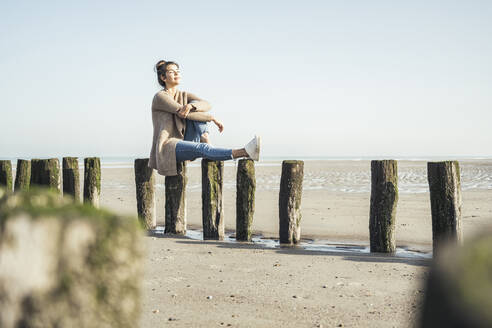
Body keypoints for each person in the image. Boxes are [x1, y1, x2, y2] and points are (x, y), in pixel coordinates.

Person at [148, 60, 260, 176]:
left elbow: (207, 104)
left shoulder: (184, 95)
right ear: (163, 77)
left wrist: (191, 105)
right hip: (169, 146)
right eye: (172, 72)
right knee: (202, 146)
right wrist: (211, 118)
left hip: (185, 139)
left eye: (178, 71)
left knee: (196, 104)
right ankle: (245, 152)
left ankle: (205, 138)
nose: (177, 74)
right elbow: (183, 113)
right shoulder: (160, 97)